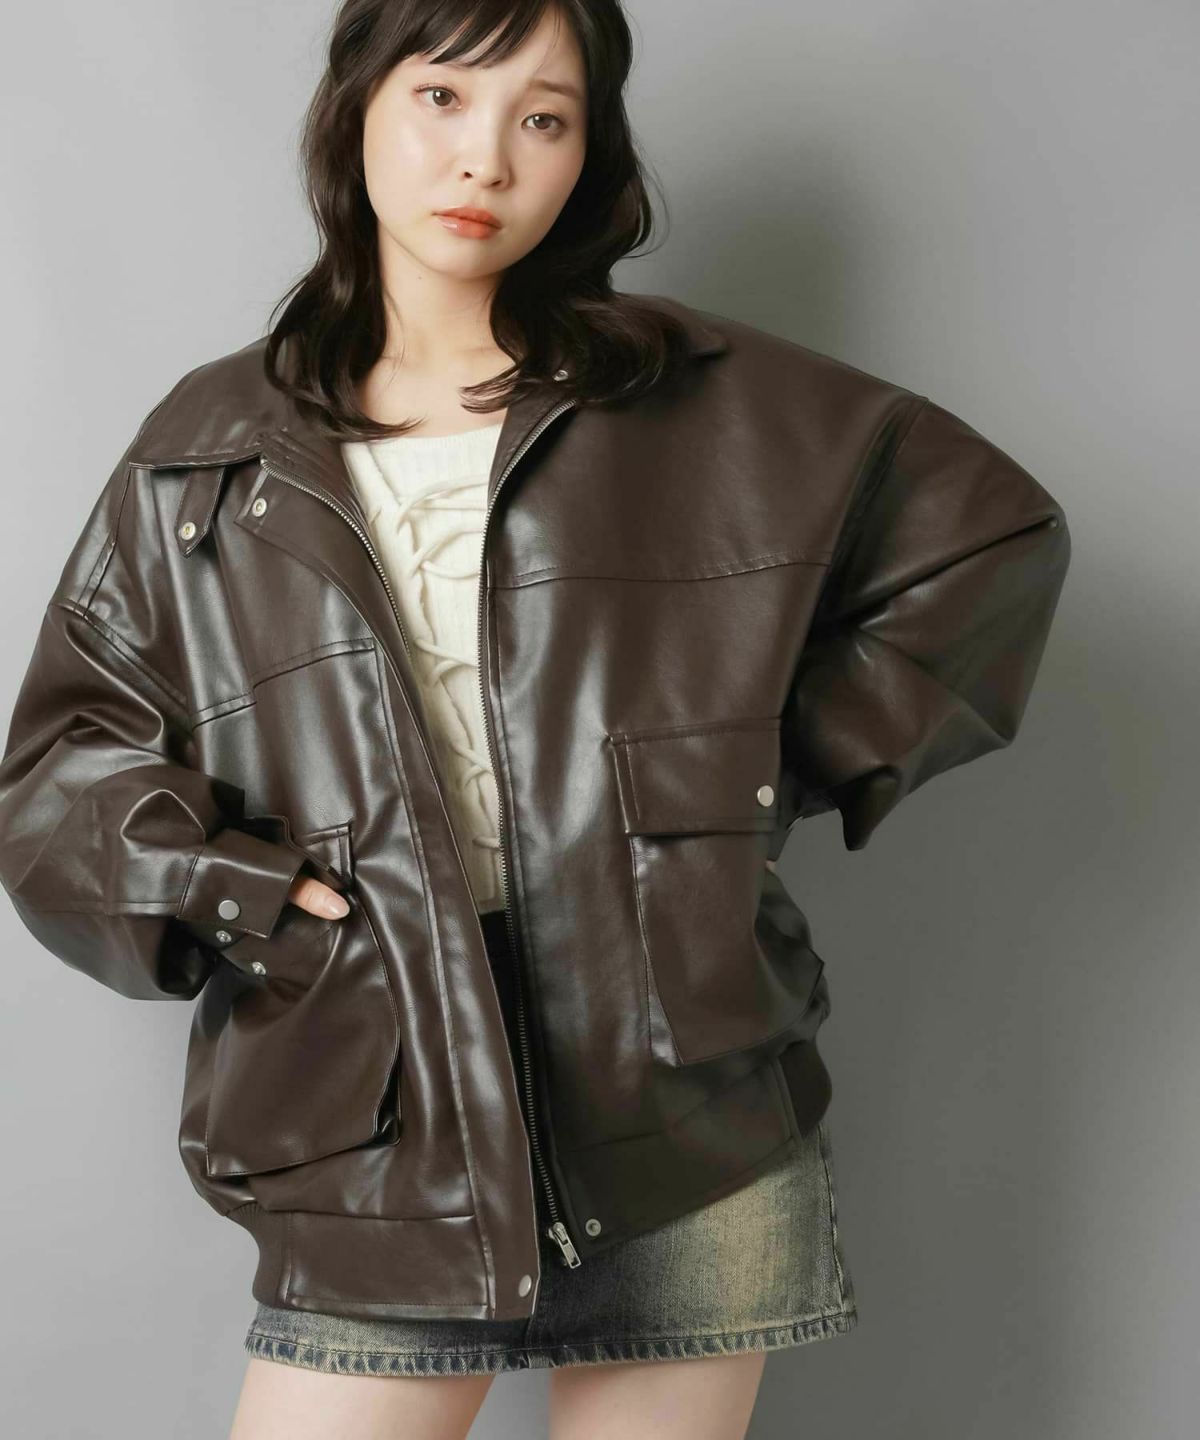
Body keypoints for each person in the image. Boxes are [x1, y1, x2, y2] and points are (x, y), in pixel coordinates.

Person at [0, 2, 1071, 1438]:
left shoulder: (700, 398)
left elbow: (990, 540)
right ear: (360, 106)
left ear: (586, 154)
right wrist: (237, 888)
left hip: (681, 1101)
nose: (487, 158)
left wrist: (731, 780)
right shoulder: (206, 447)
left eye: (544, 117)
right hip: (373, 1117)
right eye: (444, 97)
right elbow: (57, 781)